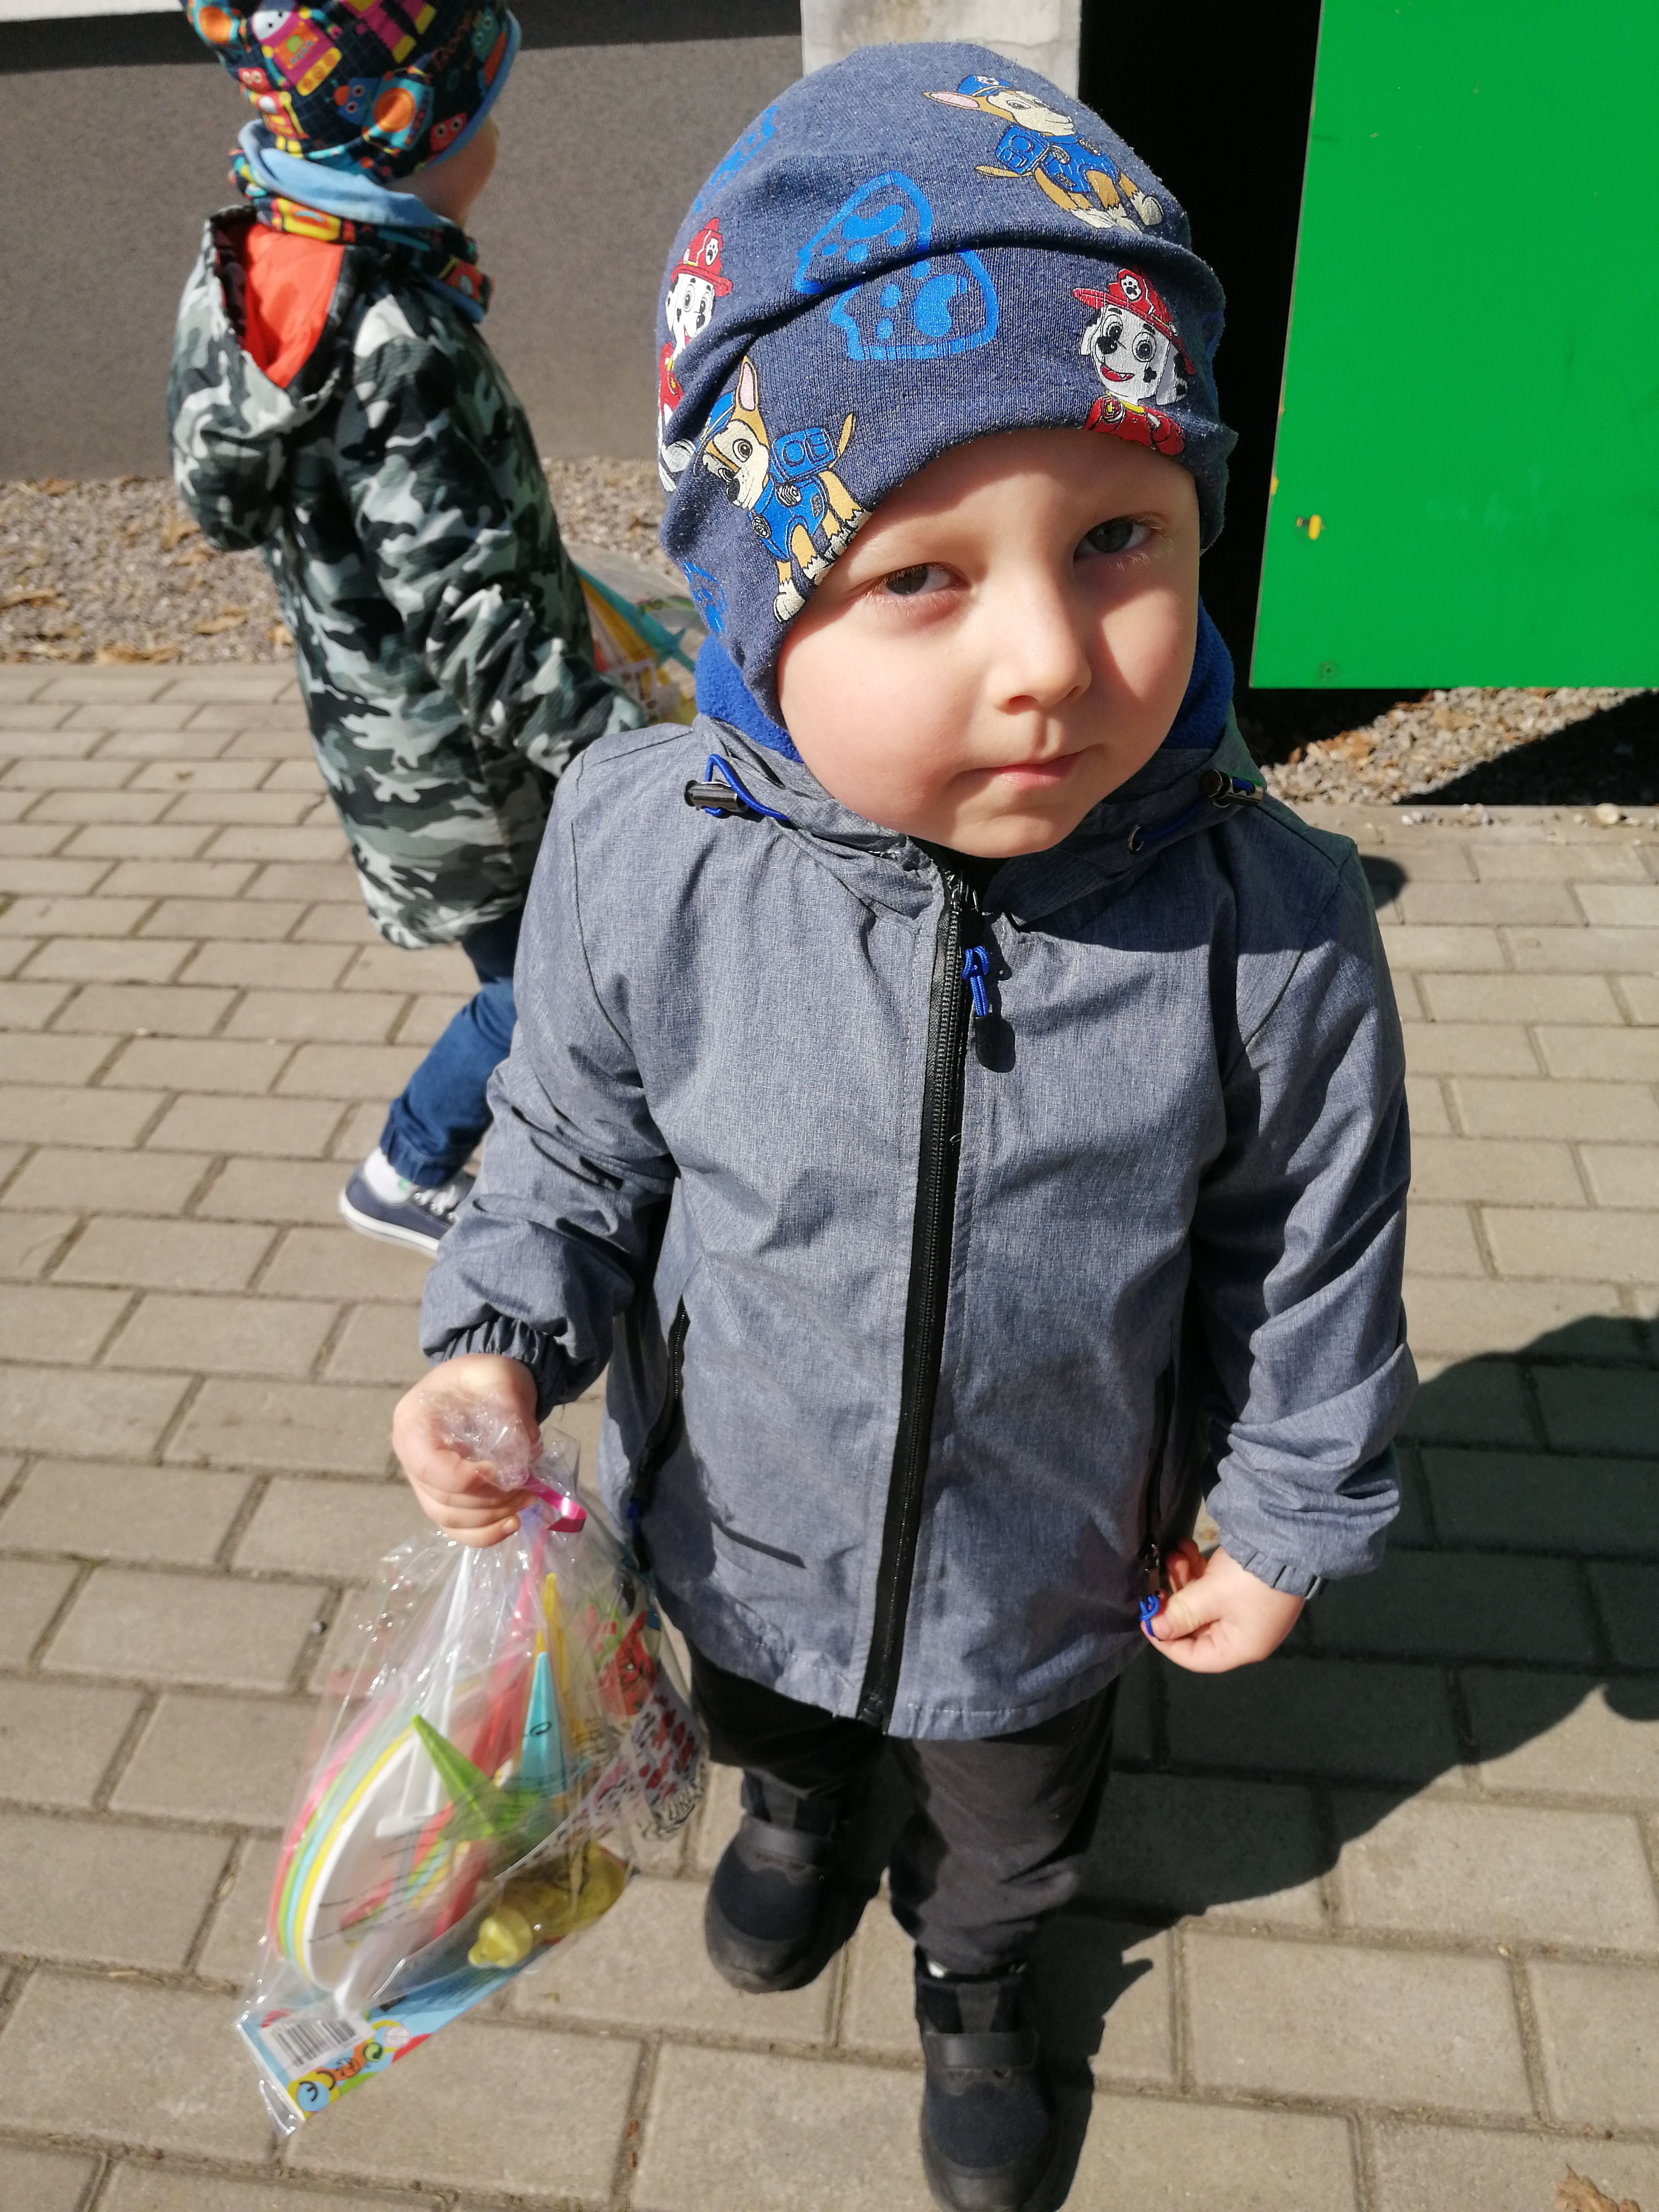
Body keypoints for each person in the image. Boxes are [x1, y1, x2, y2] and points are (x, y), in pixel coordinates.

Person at [394, 44, 1414, 2212]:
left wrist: (1287, 1509)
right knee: (768, 1709)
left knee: (1017, 1822)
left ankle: (976, 1979)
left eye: (1121, 537)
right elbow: (570, 1141)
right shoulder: (648, 851)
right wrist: (496, 1343)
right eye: (924, 575)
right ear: (759, 594)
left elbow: (1310, 1255)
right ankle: (792, 1812)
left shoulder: (1267, 923)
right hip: (740, 1520)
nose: (1049, 658)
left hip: (1050, 1561)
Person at [168, 0, 641, 1254]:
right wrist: (624, 752)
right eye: (481, 115)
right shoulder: (391, 335)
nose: (497, 140)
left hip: (389, 741)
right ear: (413, 139)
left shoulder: (263, 264)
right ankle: (408, 1165)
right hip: (467, 767)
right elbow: (466, 611)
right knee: (544, 987)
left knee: (540, 970)